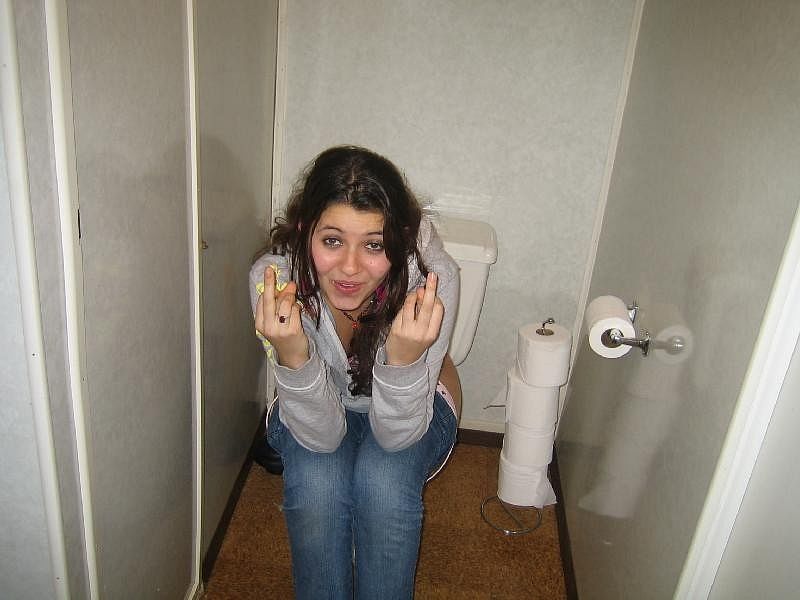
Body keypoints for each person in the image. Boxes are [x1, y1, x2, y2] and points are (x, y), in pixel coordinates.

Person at [249, 145, 461, 599]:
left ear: (399, 240)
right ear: (305, 231)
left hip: (418, 403)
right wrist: (293, 356)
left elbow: (397, 437)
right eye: (332, 241)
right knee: (317, 484)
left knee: (384, 485)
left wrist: (403, 360)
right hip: (314, 404)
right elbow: (322, 438)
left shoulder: (432, 278)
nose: (350, 268)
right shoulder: (275, 283)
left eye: (374, 245)